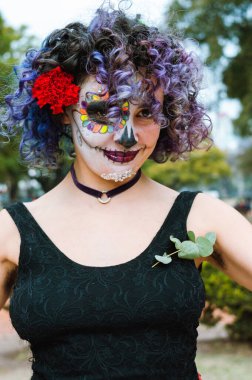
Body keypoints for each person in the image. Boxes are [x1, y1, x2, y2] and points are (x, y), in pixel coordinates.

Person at [0, 3, 251, 380]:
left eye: (146, 113)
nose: (127, 135)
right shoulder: (10, 231)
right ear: (64, 110)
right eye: (103, 111)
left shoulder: (201, 216)